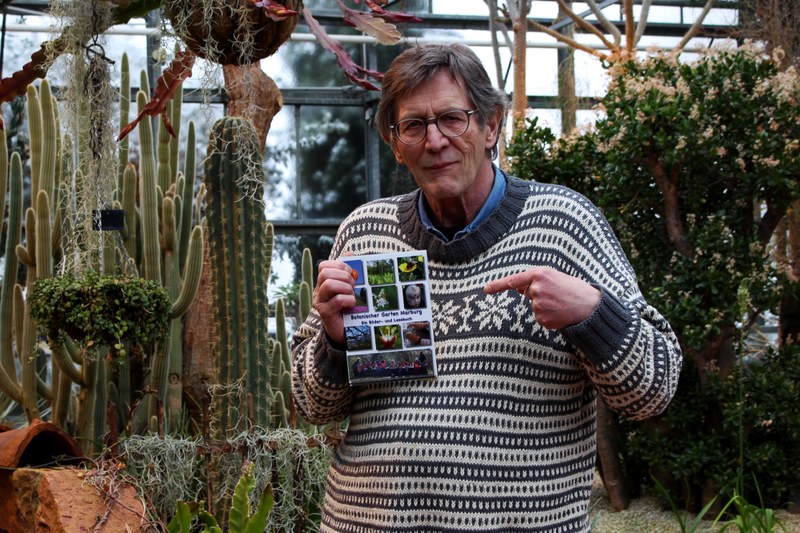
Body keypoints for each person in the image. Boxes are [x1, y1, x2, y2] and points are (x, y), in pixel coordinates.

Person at [291, 43, 682, 532]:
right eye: (413, 125)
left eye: (452, 119)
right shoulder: (366, 232)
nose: (434, 141)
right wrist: (333, 342)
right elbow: (312, 407)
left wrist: (592, 314)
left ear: (491, 125)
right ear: (396, 142)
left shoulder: (564, 227)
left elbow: (654, 391)